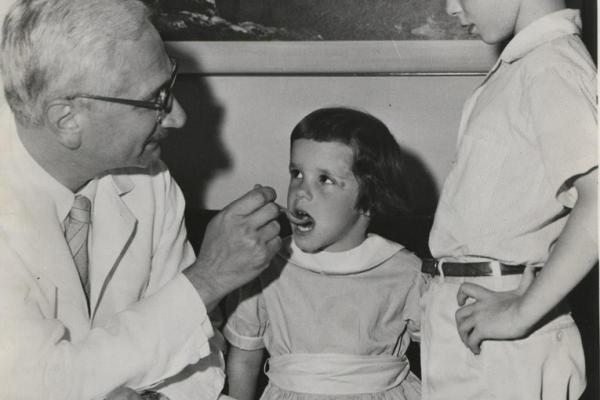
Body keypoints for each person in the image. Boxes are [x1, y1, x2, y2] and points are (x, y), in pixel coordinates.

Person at [0, 0, 283, 399]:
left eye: (170, 84)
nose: (178, 116)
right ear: (67, 120)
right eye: (154, 100)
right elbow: (35, 382)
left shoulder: (149, 179)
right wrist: (207, 280)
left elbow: (198, 355)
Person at [422, 0, 597, 399]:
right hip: (480, 324)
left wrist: (521, 313)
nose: (451, 7)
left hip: (504, 342)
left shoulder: (552, 65)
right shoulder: (526, 64)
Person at [224, 107, 426, 399]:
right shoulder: (265, 263)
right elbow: (244, 359)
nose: (301, 192)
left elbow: (441, 358)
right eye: (297, 173)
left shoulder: (406, 271)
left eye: (325, 179)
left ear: (370, 199)